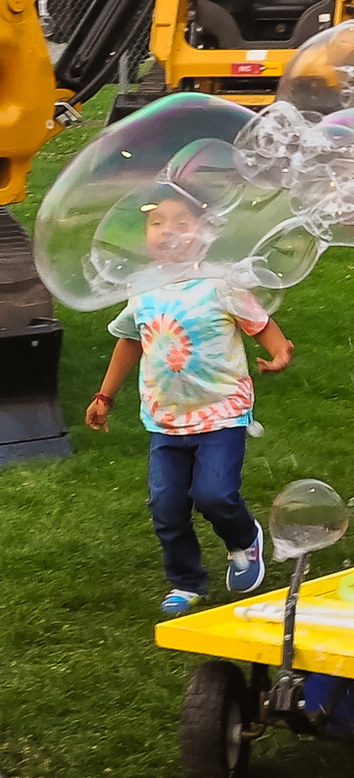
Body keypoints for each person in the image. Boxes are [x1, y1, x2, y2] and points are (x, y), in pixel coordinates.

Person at [87, 191, 293, 615]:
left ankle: (243, 540)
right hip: (165, 419)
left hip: (222, 412)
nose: (168, 231)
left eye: (182, 222)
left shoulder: (221, 284)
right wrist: (104, 396)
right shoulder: (143, 290)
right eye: (157, 223)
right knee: (166, 507)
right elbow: (130, 341)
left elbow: (261, 323)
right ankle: (186, 582)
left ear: (205, 233)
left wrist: (278, 351)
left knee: (214, 494)